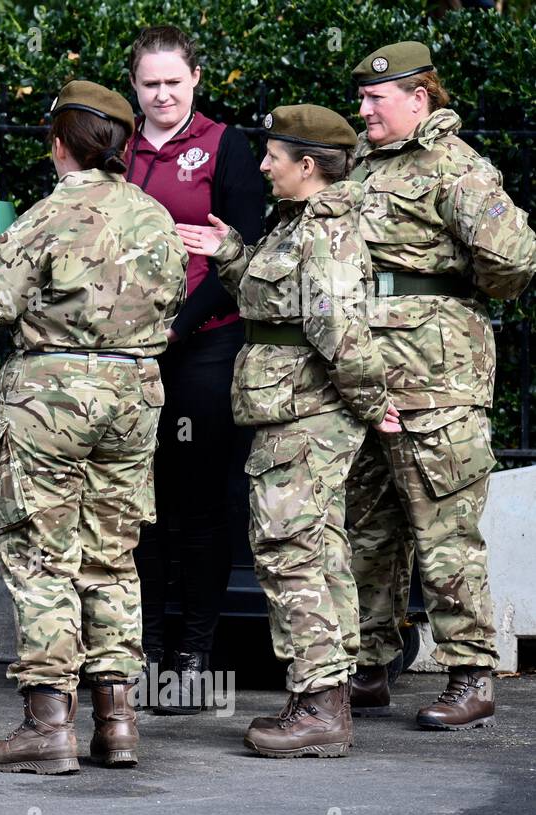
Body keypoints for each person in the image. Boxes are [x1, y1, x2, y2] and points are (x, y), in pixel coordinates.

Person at [0, 81, 188, 773]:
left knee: (41, 555)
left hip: (51, 396)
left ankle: (47, 723)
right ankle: (117, 721)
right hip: (134, 391)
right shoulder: (155, 216)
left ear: (60, 144)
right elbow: (174, 299)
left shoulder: (44, 216)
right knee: (113, 555)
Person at [179, 105, 400, 757]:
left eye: (275, 155)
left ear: (308, 166)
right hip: (292, 410)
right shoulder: (294, 223)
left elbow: (337, 329)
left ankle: (319, 706)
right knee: (317, 546)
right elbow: (267, 300)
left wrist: (371, 401)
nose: (264, 164)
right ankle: (324, 694)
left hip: (309, 414)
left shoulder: (324, 230)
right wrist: (229, 255)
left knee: (288, 548)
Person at [343, 42, 536, 729]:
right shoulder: (365, 162)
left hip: (436, 384)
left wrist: (449, 299)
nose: (362, 108)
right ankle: (367, 669)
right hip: (367, 378)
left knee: (444, 530)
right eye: (362, 98)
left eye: (376, 98)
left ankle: (471, 674)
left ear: (418, 98)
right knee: (368, 529)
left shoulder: (454, 166)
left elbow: (513, 258)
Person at [125, 25, 266, 712]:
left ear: (195, 81)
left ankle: (194, 652)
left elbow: (242, 253)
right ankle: (146, 646)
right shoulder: (117, 150)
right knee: (138, 502)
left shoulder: (225, 145)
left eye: (173, 83)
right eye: (150, 84)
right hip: (127, 353)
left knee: (201, 502)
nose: (162, 95)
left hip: (203, 343)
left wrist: (177, 326)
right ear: (134, 87)